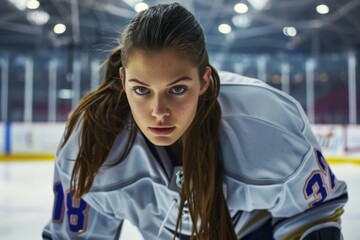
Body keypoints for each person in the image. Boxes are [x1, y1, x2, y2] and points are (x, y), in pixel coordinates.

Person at [42, 3, 348, 240]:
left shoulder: (265, 124)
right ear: (122, 81)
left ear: (204, 80)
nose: (159, 111)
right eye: (141, 90)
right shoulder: (92, 139)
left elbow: (313, 214)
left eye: (177, 89)